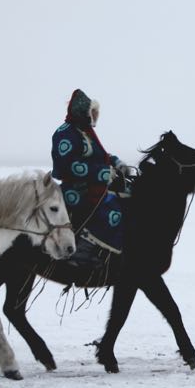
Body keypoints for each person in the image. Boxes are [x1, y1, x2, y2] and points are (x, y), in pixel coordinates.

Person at [51, 88, 134, 262]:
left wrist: (117, 164)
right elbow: (70, 166)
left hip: (93, 184)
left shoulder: (85, 131)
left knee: (129, 197)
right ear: (83, 113)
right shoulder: (64, 133)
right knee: (108, 210)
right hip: (75, 188)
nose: (95, 117)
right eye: (93, 113)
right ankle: (82, 251)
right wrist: (104, 173)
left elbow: (100, 155)